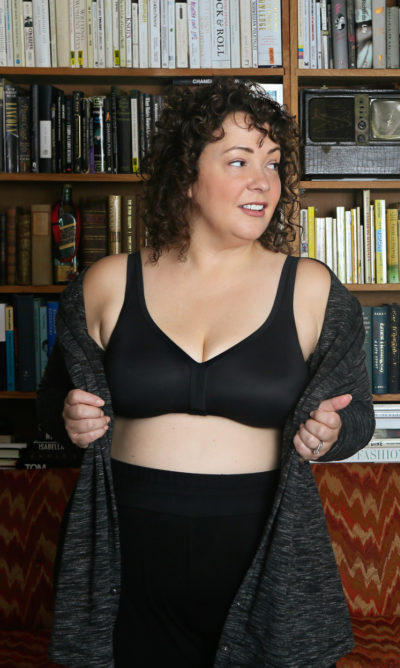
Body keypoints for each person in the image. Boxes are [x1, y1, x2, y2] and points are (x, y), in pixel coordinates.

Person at [36, 78, 375, 667]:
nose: (262, 182)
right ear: (187, 177)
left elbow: (359, 418)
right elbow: (51, 406)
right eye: (239, 160)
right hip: (127, 561)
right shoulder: (107, 283)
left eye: (272, 164)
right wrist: (70, 414)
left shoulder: (313, 289)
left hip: (261, 558)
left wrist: (333, 434)